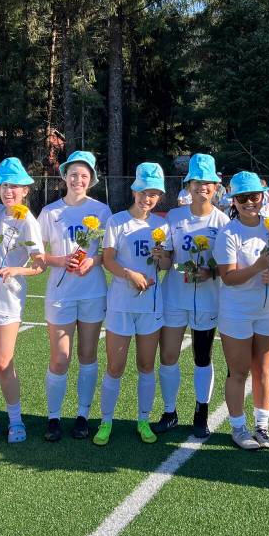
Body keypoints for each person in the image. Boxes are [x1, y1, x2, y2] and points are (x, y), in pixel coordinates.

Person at [95, 163, 173, 445]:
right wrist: (130, 274)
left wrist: (161, 257)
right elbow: (108, 260)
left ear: (159, 197)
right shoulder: (117, 221)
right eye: (143, 192)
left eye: (153, 194)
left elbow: (166, 265)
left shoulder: (162, 225)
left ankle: (143, 419)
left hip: (150, 305)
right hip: (121, 304)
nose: (147, 198)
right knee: (115, 366)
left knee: (146, 365)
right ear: (134, 191)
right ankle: (106, 421)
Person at [37, 151, 113, 440]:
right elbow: (37, 253)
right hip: (61, 294)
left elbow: (110, 253)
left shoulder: (102, 210)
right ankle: (53, 417)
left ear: (91, 179)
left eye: (84, 175)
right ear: (64, 176)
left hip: (92, 292)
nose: (78, 179)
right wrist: (60, 260)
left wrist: (92, 261)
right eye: (73, 174)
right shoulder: (50, 212)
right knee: (60, 358)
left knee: (87, 355)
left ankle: (82, 415)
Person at [156, 153, 230, 438]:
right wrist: (161, 256)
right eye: (197, 182)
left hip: (208, 299)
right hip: (174, 295)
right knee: (169, 355)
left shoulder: (222, 221)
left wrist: (210, 272)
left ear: (216, 186)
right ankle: (169, 412)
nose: (203, 187)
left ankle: (201, 413)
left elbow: (228, 266)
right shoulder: (174, 217)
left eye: (208, 182)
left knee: (202, 357)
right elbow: (167, 261)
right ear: (188, 185)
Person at [215, 171, 269, 450]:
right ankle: (238, 428)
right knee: (238, 372)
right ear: (233, 201)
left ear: (263, 197)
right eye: (242, 198)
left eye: (253, 196)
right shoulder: (228, 233)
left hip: (267, 311)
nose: (249, 202)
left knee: (263, 370)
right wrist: (257, 268)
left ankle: (262, 427)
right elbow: (228, 278)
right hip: (236, 312)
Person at [0, 158, 45, 443]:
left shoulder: (27, 220)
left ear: (25, 190)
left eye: (15, 186)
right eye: (4, 185)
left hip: (9, 299)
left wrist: (16, 270)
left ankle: (16, 420)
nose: (9, 191)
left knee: (3, 360)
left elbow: (40, 264)